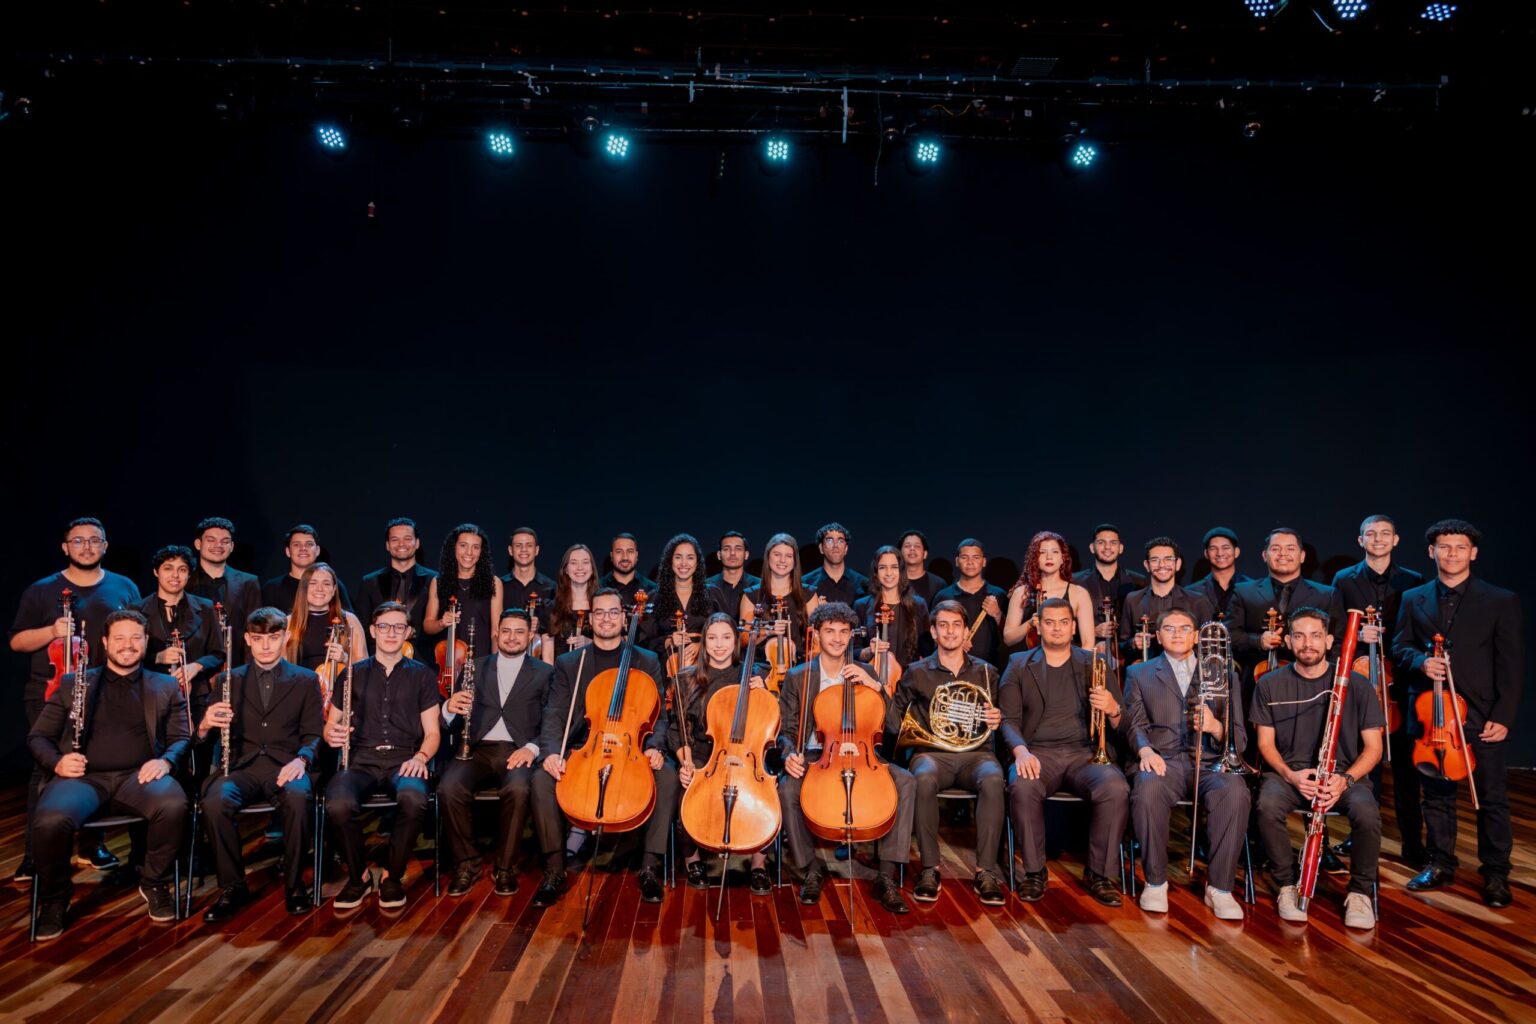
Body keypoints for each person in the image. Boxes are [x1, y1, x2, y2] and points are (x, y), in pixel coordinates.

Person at [27, 609, 190, 940]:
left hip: (138, 778)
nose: (127, 645)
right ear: (104, 642)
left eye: (135, 638)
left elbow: (181, 737)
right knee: (49, 820)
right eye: (119, 638)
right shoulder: (76, 683)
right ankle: (55, 898)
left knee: (174, 805)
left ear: (146, 642)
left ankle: (154, 881)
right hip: (84, 779)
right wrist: (58, 763)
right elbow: (38, 737)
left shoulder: (165, 685)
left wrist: (166, 762)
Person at [1394, 518, 1523, 908]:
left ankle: (1496, 872)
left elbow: (1512, 665)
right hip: (1432, 715)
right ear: (1431, 552)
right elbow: (1399, 646)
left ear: (1473, 553)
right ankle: (1441, 862)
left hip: (1481, 715)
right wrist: (1420, 662)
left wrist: (1504, 715)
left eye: (1460, 547)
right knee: (1436, 795)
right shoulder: (1412, 597)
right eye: (1444, 547)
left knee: (1491, 798)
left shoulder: (1501, 600)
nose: (1452, 554)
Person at [10, 517, 142, 882]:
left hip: (105, 693)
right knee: (46, 770)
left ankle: (91, 845)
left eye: (94, 540)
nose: (86, 547)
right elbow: (16, 642)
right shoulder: (41, 590)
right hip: (51, 693)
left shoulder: (124, 586)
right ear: (65, 547)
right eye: (78, 541)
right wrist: (51, 630)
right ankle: (34, 855)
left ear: (105, 545)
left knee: (94, 766)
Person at [531, 589, 675, 907]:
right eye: (600, 613)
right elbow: (554, 712)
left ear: (624, 618)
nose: (606, 618)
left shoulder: (646, 660)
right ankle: (554, 870)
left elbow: (659, 717)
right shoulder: (571, 663)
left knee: (666, 777)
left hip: (631, 747)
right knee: (542, 779)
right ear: (590, 619)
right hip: (585, 746)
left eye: (613, 612)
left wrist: (655, 748)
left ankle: (650, 867)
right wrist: (552, 753)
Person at [777, 601, 914, 914]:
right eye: (830, 632)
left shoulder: (865, 672)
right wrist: (788, 755)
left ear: (852, 635)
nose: (837, 638)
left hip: (864, 755)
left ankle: (887, 876)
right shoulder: (799, 677)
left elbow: (894, 726)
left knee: (906, 782)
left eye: (844, 632)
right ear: (817, 635)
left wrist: (877, 687)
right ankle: (810, 868)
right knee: (787, 790)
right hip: (817, 755)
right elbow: (784, 729)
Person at [1252, 607, 1383, 929]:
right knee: (1267, 806)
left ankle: (1360, 893)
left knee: (1367, 815)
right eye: (1298, 635)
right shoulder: (1269, 683)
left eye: (1314, 635)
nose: (1306, 643)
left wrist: (1346, 779)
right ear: (1287, 641)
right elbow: (1265, 744)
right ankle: (1286, 884)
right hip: (1290, 775)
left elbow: (1374, 748)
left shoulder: (1358, 685)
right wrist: (1290, 775)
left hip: (1343, 776)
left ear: (1328, 640)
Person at [1120, 608, 1248, 920]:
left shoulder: (1224, 673)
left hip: (1209, 761)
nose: (1177, 634)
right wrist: (1145, 752)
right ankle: (1155, 881)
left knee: (1236, 791)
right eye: (1170, 628)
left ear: (1196, 636)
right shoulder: (1139, 673)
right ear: (1157, 635)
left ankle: (1220, 887)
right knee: (1147, 790)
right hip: (1163, 760)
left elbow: (1239, 737)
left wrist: (1216, 727)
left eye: (1185, 628)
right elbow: (1133, 724)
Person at [196, 606, 324, 921]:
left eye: (273, 638)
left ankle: (295, 886)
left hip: (287, 765)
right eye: (258, 639)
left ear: (286, 638)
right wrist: (204, 725)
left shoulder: (306, 680)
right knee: (214, 802)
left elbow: (313, 734)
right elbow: (202, 738)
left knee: (297, 797)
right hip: (241, 768)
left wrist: (302, 760)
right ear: (247, 640)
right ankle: (233, 886)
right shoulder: (227, 679)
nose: (265, 646)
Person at [999, 598, 1129, 905]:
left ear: (1073, 627)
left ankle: (1099, 873)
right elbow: (1008, 719)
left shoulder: (1094, 662)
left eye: (1063, 622)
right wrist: (1021, 752)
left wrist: (1112, 709)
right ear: (1038, 626)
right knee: (1023, 784)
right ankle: (1034, 872)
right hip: (1037, 752)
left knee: (1116, 788)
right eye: (1049, 622)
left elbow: (1122, 720)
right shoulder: (1019, 664)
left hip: (1086, 754)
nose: (1057, 628)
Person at [323, 602, 441, 911]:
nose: (391, 633)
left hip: (405, 759)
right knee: (337, 802)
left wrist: (420, 758)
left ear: (409, 633)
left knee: (415, 800)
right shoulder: (351, 674)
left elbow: (432, 733)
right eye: (384, 627)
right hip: (360, 760)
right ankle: (359, 877)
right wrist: (330, 734)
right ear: (373, 631)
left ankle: (392, 874)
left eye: (399, 627)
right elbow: (330, 725)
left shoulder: (423, 675)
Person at [891, 600, 1006, 905]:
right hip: (932, 753)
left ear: (967, 631)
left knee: (994, 780)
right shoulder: (916, 672)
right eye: (943, 625)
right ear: (933, 631)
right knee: (923, 779)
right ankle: (930, 868)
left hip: (976, 754)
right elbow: (893, 719)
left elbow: (997, 714)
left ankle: (985, 871)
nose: (950, 631)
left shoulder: (986, 672)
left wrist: (996, 718)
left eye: (957, 625)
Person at [439, 607, 554, 897]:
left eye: (519, 632)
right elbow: (452, 714)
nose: (512, 637)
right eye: (506, 631)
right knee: (448, 787)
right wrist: (448, 709)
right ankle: (467, 864)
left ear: (530, 636)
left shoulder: (545, 673)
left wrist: (532, 747)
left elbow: (555, 721)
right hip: (477, 749)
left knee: (518, 790)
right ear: (496, 634)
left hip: (519, 749)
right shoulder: (474, 665)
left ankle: (505, 867)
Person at [1331, 514, 1425, 865]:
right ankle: (1360, 840)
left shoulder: (1413, 581)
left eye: (1385, 534)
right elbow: (1337, 631)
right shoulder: (1343, 580)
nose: (1378, 539)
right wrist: (1358, 640)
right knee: (1363, 770)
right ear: (1361, 541)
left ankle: (1412, 844)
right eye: (1371, 534)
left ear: (1396, 540)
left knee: (1406, 773)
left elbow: (1418, 628)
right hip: (1364, 684)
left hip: (1398, 686)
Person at [673, 613, 774, 893]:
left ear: (736, 640)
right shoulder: (687, 679)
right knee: (685, 796)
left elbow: (771, 718)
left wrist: (764, 691)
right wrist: (687, 764)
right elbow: (679, 730)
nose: (719, 645)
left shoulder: (755, 674)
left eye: (726, 637)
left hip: (746, 759)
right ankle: (692, 860)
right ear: (704, 643)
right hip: (705, 759)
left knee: (767, 798)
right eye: (712, 638)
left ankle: (758, 865)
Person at [1226, 528, 1345, 678]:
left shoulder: (1327, 595)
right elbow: (1229, 635)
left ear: (1302, 556)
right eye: (1276, 548)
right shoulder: (1243, 591)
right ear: (1264, 555)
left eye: (1290, 548)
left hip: (1312, 679)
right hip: (1256, 679)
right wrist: (1258, 642)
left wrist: (1328, 677)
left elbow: (1338, 643)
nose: (1283, 554)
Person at [1118, 537, 1215, 664]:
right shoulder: (1132, 600)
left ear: (1178, 564)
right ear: (1147, 565)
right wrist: (1133, 643)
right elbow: (1121, 644)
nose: (1162, 565)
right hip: (1147, 676)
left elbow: (1209, 647)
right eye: (1155, 560)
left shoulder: (1197, 601)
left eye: (1168, 559)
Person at [853, 545, 930, 691]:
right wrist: (869, 651)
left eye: (894, 567)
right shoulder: (861, 606)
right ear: (876, 572)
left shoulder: (918, 605)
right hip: (871, 683)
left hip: (910, 684)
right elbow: (853, 651)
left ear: (901, 571)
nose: (889, 573)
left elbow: (926, 651)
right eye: (882, 567)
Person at [423, 523, 503, 663]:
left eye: (475, 547)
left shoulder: (493, 583)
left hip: (482, 662)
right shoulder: (438, 582)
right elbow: (428, 626)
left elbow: (496, 631)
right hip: (448, 664)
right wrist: (442, 622)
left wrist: (497, 664)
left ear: (481, 552)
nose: (469, 552)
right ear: (454, 547)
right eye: (463, 545)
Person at [186, 516, 261, 666]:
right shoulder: (184, 581)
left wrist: (248, 673)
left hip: (234, 668)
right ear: (198, 544)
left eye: (225, 541)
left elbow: (255, 631)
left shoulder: (249, 582)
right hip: (192, 672)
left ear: (232, 546)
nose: (218, 545)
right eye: (211, 540)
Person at [1003, 531, 1096, 650]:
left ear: (1063, 558)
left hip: (1068, 665)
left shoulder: (1079, 593)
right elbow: (1008, 639)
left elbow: (1088, 643)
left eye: (1055, 552)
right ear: (1035, 558)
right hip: (1030, 664)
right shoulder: (1022, 592)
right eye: (1042, 552)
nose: (1049, 557)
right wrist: (1030, 623)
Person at [357, 517, 438, 647]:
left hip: (424, 662)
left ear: (417, 543)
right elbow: (361, 629)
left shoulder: (434, 580)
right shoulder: (369, 582)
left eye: (407, 539)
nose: (401, 544)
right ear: (387, 545)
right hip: (380, 660)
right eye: (395, 539)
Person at [932, 539, 1008, 668]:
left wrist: (997, 614)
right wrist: (952, 643)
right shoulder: (944, 596)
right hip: (950, 666)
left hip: (990, 667)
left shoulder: (998, 594)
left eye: (976, 557)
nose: (970, 562)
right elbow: (933, 635)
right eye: (964, 557)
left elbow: (1010, 637)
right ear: (957, 561)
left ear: (983, 562)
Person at [1072, 523, 1148, 645]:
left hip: (1127, 655)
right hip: (1089, 653)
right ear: (1092, 548)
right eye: (1101, 542)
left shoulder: (1138, 581)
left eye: (1113, 543)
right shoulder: (1075, 582)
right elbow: (1065, 622)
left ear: (1121, 548)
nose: (1107, 547)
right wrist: (1092, 631)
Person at [261, 524, 353, 613]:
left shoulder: (332, 585)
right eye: (297, 545)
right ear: (288, 551)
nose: (303, 548)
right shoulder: (272, 588)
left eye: (309, 544)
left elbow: (348, 622)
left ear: (317, 551)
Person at [540, 544, 598, 665]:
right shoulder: (551, 608)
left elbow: (614, 644)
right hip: (562, 678)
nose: (580, 567)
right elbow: (548, 656)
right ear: (565, 569)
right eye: (573, 563)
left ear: (592, 569)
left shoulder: (601, 607)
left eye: (585, 562)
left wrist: (590, 643)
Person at [1186, 527, 1251, 622]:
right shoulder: (1191, 592)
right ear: (1206, 554)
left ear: (1236, 552)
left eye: (1226, 548)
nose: (1220, 553)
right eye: (1213, 548)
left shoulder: (1252, 589)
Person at [500, 527, 556, 631]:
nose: (524, 549)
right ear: (510, 550)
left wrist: (541, 625)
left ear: (537, 550)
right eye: (518, 545)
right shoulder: (499, 586)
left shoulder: (551, 588)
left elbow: (557, 626)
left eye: (529, 545)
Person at [800, 522, 867, 608]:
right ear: (821, 548)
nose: (835, 545)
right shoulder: (805, 583)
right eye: (829, 540)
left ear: (846, 549)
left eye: (840, 541)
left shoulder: (863, 584)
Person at [704, 531, 759, 617]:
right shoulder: (706, 586)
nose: (732, 553)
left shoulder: (759, 586)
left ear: (746, 554)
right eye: (726, 549)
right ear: (719, 555)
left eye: (738, 549)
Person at [598, 533, 659, 608]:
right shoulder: (597, 587)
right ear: (611, 556)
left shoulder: (653, 590)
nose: (625, 557)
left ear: (636, 555)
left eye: (630, 551)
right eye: (619, 551)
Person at [897, 529, 948, 609]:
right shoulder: (892, 582)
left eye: (917, 546)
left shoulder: (939, 584)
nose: (912, 549)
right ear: (899, 553)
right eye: (907, 546)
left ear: (925, 554)